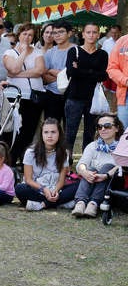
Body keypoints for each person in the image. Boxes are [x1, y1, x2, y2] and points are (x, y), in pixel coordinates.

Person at [3, 23, 46, 164]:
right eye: (24, 34)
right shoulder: (9, 53)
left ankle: (24, 159)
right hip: (16, 97)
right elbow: (14, 68)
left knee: (30, 130)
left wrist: (16, 75)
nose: (27, 37)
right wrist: (23, 53)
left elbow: (40, 71)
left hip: (34, 96)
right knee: (16, 129)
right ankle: (12, 158)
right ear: (19, 35)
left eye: (30, 35)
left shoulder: (38, 52)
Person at [64, 22, 108, 154]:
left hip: (93, 99)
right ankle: (66, 163)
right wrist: (92, 73)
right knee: (70, 133)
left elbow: (103, 76)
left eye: (94, 32)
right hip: (74, 97)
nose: (91, 35)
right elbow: (71, 72)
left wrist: (81, 70)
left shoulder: (102, 54)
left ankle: (86, 164)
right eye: (88, 32)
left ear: (98, 35)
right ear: (83, 34)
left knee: (90, 133)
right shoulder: (74, 51)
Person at [14, 118, 76, 211]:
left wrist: (55, 191)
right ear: (41, 134)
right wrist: (44, 189)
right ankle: (59, 203)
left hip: (55, 189)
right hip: (37, 189)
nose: (49, 136)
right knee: (20, 189)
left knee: (80, 185)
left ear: (59, 134)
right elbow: (28, 180)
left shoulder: (64, 153)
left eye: (53, 132)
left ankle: (43, 204)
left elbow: (61, 181)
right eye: (46, 132)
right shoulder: (30, 152)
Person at [70, 113, 121, 218]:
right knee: (91, 169)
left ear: (116, 128)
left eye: (107, 126)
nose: (103, 129)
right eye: (99, 126)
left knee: (107, 166)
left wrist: (106, 175)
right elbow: (81, 164)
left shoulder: (123, 147)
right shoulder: (93, 146)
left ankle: (94, 203)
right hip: (92, 182)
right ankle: (80, 203)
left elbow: (123, 166)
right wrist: (85, 172)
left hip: (114, 183)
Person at [43, 21, 75, 126]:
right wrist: (63, 74)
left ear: (69, 33)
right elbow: (45, 76)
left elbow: (74, 75)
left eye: (61, 32)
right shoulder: (50, 52)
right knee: (50, 126)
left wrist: (52, 71)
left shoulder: (77, 51)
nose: (57, 35)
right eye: (55, 33)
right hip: (52, 94)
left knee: (69, 129)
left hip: (71, 95)